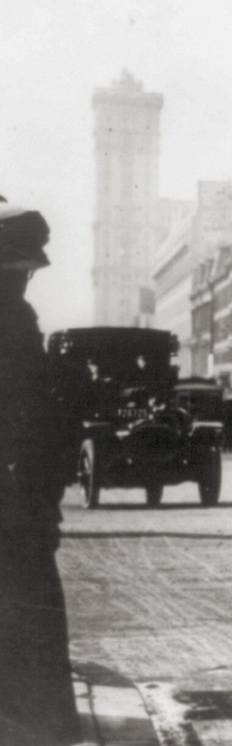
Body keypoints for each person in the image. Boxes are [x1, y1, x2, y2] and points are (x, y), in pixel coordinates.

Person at [0, 202, 82, 745]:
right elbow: (28, 415)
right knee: (27, 610)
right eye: (23, 271)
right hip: (15, 497)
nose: (28, 281)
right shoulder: (13, 320)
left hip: (17, 492)